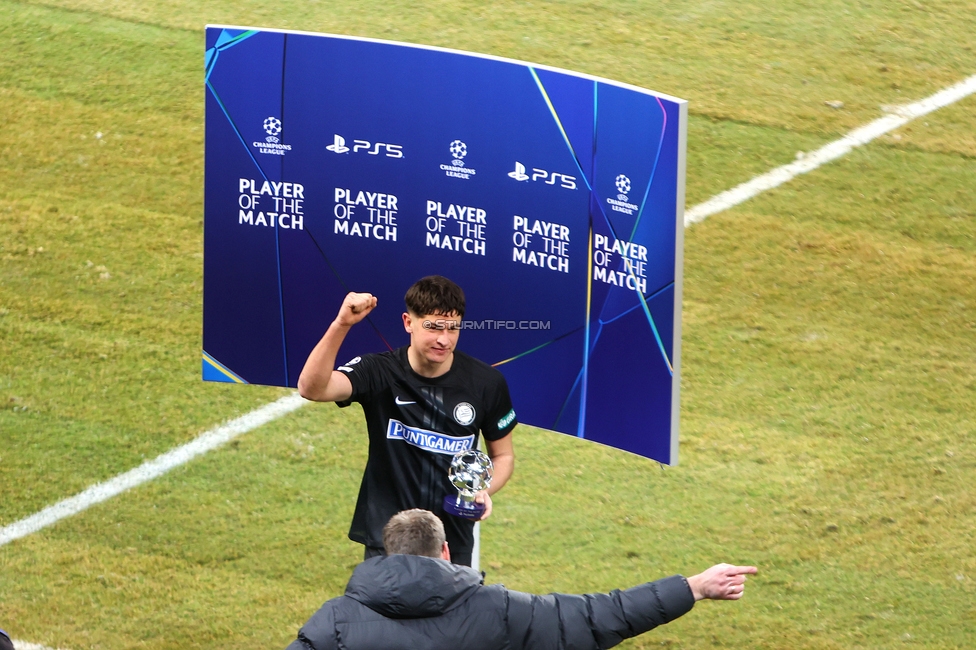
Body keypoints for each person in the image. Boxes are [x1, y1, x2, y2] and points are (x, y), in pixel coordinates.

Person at [284, 509, 758, 650]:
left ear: (387, 554)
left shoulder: (336, 620)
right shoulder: (499, 608)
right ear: (446, 552)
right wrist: (694, 586)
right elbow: (597, 618)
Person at [297, 276, 517, 567]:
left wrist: (482, 490)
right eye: (433, 327)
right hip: (387, 538)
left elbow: (503, 455)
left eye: (453, 328)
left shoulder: (486, 383)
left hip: (451, 541)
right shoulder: (379, 371)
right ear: (408, 322)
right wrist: (342, 324)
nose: (444, 339)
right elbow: (312, 389)